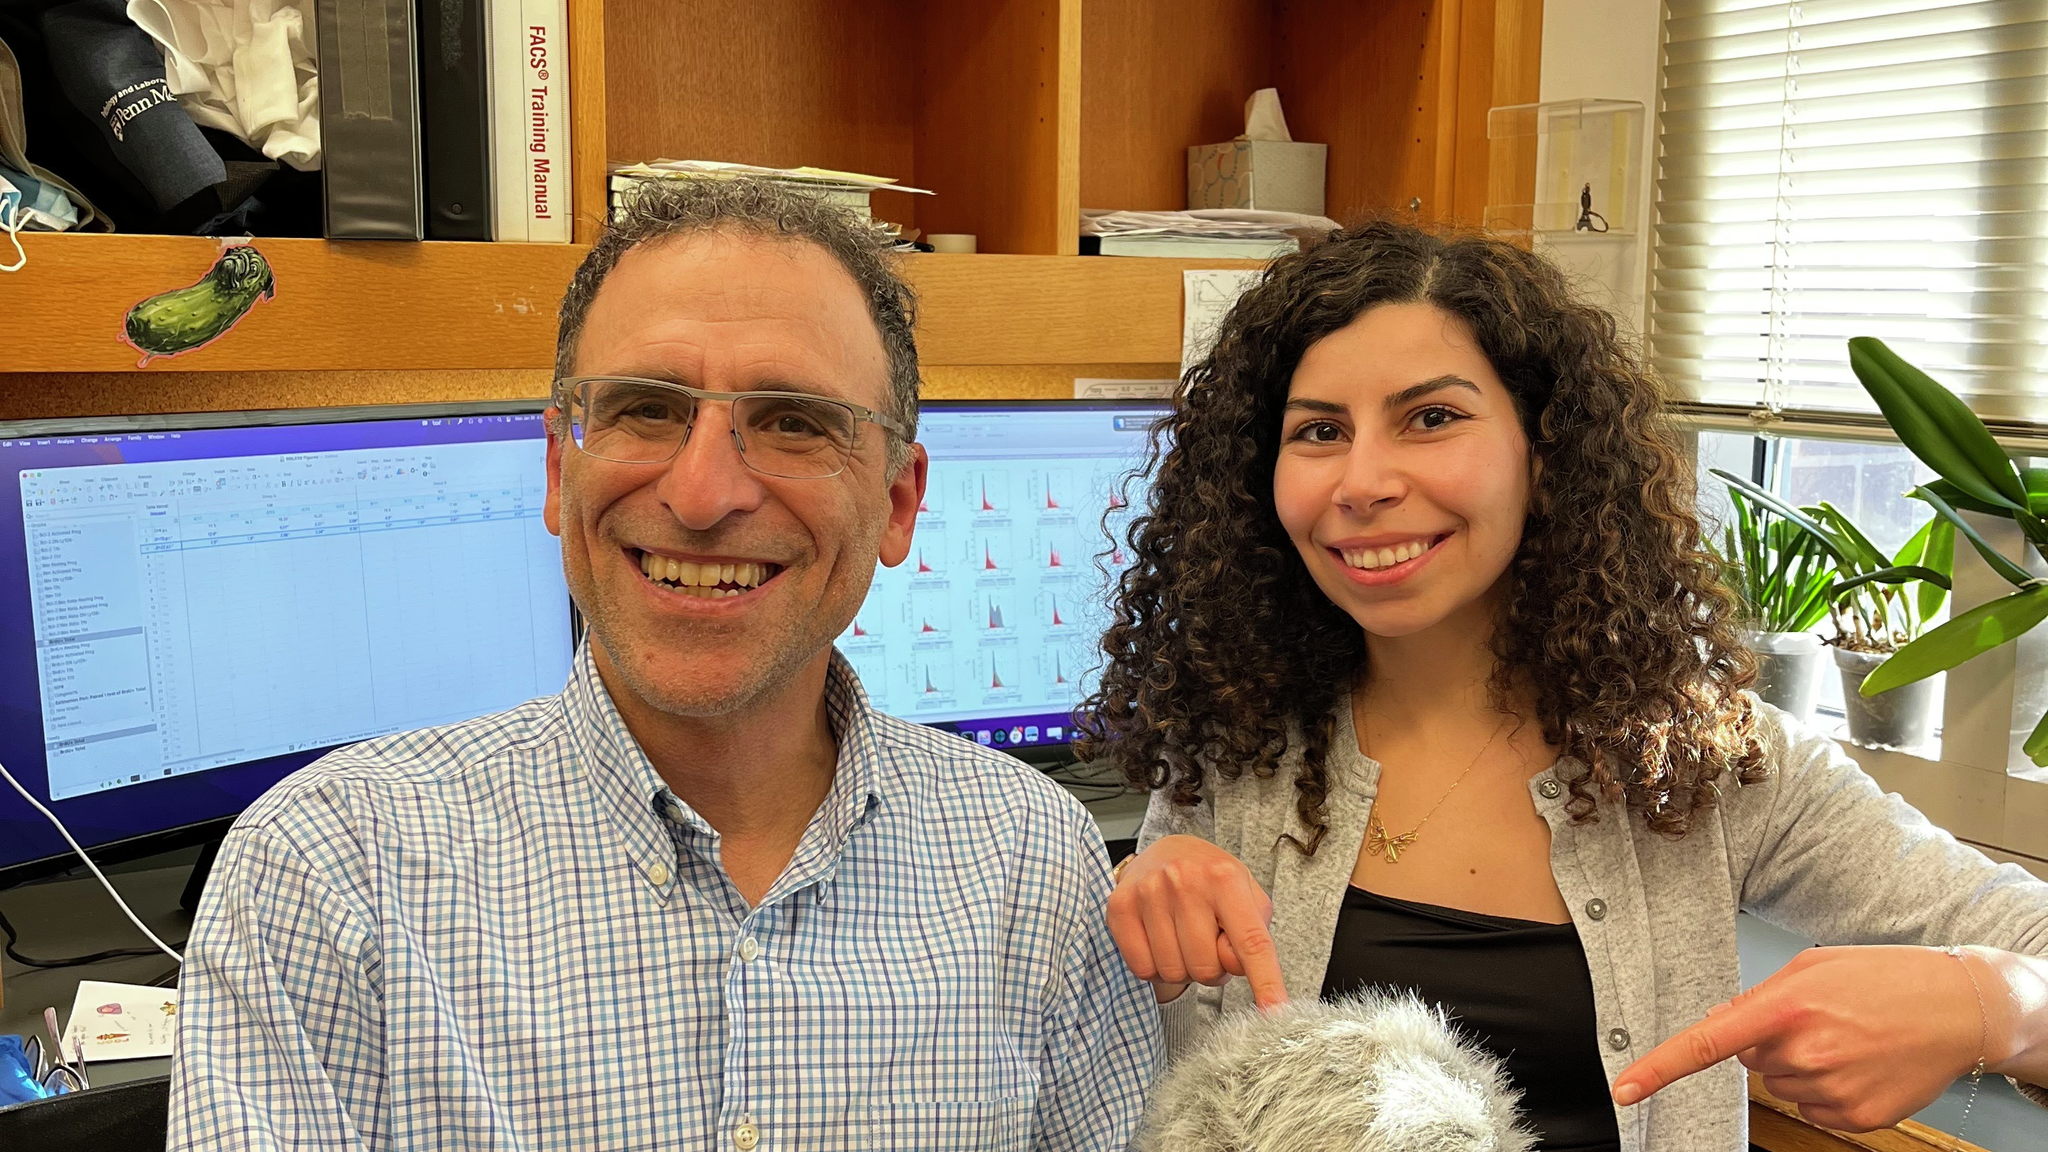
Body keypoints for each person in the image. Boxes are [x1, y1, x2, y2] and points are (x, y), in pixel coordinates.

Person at [169, 178, 1159, 1151]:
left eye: (793, 421)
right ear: (557, 470)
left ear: (898, 503)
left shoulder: (1031, 861)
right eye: (645, 409)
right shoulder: (325, 875)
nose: (701, 493)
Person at [1080, 218, 2048, 1152]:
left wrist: (1991, 1005)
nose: (1361, 481)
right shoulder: (1232, 751)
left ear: (1545, 456)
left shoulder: (1705, 761)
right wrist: (1133, 894)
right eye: (1319, 431)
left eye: (1431, 418)